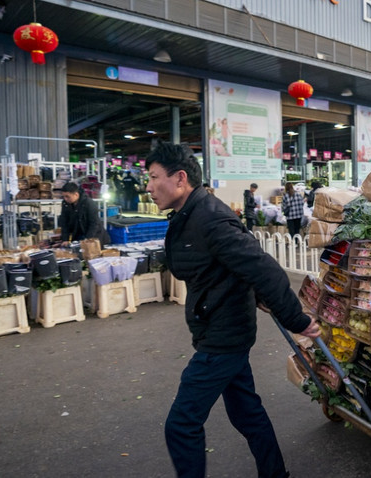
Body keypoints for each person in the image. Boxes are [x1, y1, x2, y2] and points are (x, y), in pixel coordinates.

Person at [144, 143, 320, 478]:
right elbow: (226, 267)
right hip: (219, 327)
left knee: (181, 424)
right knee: (246, 413)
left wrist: (297, 320)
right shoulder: (190, 214)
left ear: (180, 179)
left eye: (154, 178)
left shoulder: (210, 218)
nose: (149, 187)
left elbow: (263, 269)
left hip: (223, 338)